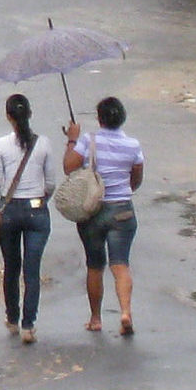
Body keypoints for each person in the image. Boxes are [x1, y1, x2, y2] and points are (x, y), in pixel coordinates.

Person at [63, 96, 143, 336]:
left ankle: (96, 318)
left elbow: (69, 167)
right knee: (121, 265)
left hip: (93, 212)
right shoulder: (133, 146)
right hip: (123, 211)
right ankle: (126, 313)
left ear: (99, 119)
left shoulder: (88, 141)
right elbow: (136, 180)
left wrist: (71, 139)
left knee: (95, 266)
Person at [0, 93, 55, 344]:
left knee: (11, 268)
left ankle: (12, 319)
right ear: (30, 114)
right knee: (32, 270)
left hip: (10, 210)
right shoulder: (44, 144)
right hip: (37, 210)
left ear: (8, 117)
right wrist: (40, 202)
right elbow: (51, 184)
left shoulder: (1, 145)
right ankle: (29, 325)